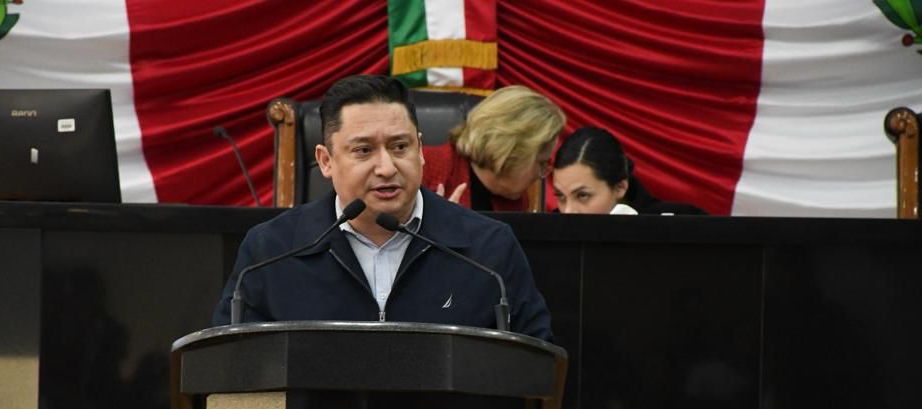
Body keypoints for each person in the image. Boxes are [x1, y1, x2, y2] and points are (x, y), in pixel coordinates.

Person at [212, 74, 552, 341]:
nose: (387, 167)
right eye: (363, 151)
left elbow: (536, 367)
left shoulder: (488, 249)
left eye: (400, 146)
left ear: (420, 150)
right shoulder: (271, 251)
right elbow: (230, 372)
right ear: (326, 161)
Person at [422, 85, 566, 211]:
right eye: (542, 163)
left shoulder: (516, 202)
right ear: (512, 152)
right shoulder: (423, 169)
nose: (541, 175)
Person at [551, 127, 707, 215]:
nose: (568, 211)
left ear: (620, 187)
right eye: (561, 197)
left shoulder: (684, 221)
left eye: (582, 195)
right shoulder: (547, 233)